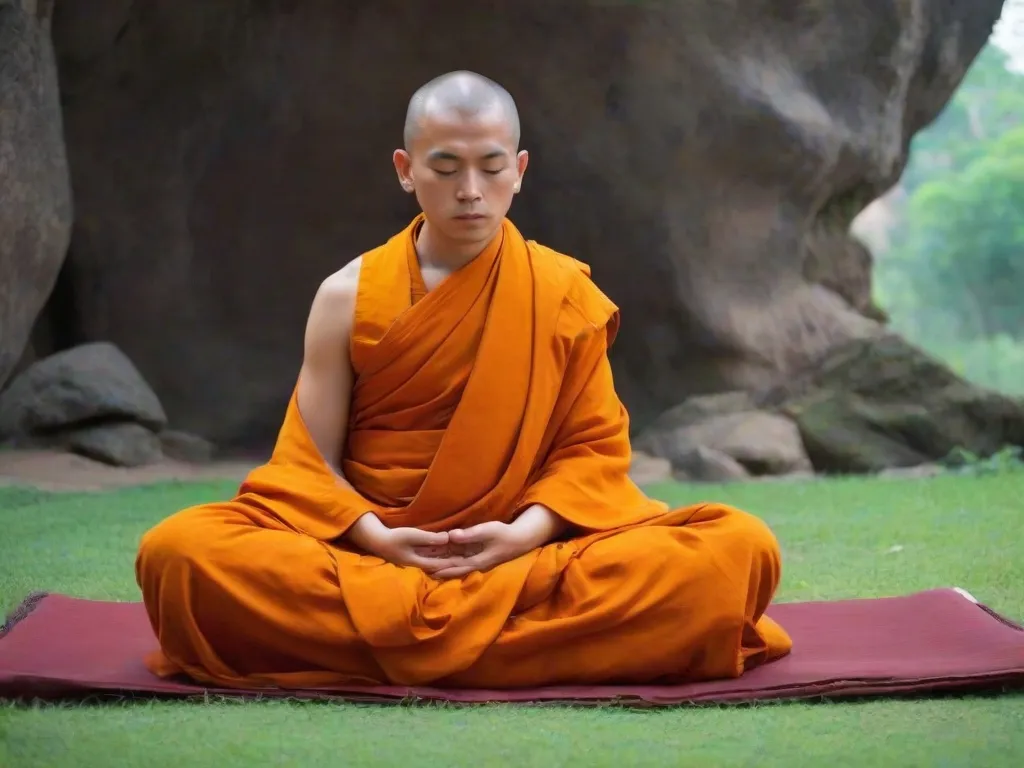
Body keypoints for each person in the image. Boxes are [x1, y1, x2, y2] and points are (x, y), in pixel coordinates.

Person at [135, 70, 793, 690]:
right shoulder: (346, 296)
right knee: (180, 554)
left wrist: (524, 534)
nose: (470, 190)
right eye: (445, 167)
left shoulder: (559, 292)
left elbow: (590, 457)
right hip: (374, 561)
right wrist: (377, 537)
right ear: (406, 170)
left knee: (736, 547)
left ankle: (397, 650)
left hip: (523, 561)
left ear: (520, 170)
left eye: (491, 166)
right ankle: (529, 651)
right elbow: (307, 466)